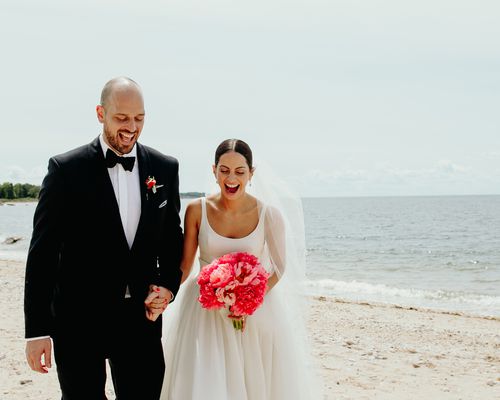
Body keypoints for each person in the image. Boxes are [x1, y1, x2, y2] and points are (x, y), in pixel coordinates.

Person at [23, 76, 183, 400]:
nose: (131, 127)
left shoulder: (165, 168)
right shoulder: (65, 169)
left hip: (141, 322)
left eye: (139, 118)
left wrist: (167, 286)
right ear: (100, 113)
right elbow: (43, 252)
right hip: (78, 322)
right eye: (121, 117)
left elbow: (171, 239)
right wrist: (37, 330)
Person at [153, 139, 321, 399]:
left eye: (240, 171)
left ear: (251, 173)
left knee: (252, 381)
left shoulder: (269, 214)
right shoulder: (197, 210)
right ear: (214, 170)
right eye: (224, 170)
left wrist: (245, 301)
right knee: (206, 381)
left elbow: (278, 267)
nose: (231, 178)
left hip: (253, 314)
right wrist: (165, 293)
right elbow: (185, 265)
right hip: (204, 313)